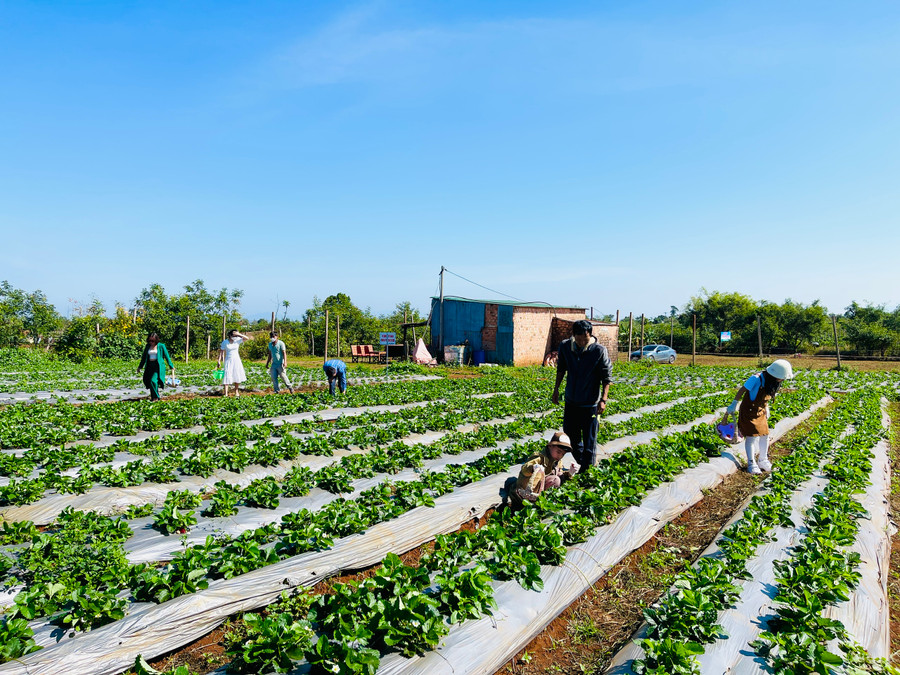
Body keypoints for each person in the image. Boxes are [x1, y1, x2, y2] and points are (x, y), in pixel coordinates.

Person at [552, 320, 613, 473]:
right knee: (570, 437)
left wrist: (603, 400)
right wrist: (556, 390)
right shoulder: (566, 346)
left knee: (589, 440)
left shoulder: (599, 351)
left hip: (590, 403)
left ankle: (588, 471)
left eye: (584, 338)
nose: (581, 342)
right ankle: (587, 465)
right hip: (571, 401)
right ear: (573, 336)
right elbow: (561, 369)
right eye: (578, 338)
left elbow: (606, 378)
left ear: (590, 335)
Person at [726, 359, 794, 474]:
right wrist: (734, 404)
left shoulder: (772, 383)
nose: (782, 380)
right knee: (751, 437)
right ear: (775, 374)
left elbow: (766, 397)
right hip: (749, 411)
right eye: (782, 377)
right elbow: (742, 390)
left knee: (765, 435)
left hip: (760, 411)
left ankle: (763, 460)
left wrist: (766, 408)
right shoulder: (756, 378)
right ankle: (751, 464)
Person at [512, 431, 580, 506]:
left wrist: (570, 473)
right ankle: (532, 502)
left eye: (563, 454)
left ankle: (542, 501)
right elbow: (524, 469)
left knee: (557, 478)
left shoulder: (558, 462)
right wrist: (533, 468)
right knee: (555, 479)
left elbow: (560, 476)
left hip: (539, 491)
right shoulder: (539, 458)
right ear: (550, 446)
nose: (560, 456)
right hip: (524, 492)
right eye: (558, 452)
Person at [137, 332, 175, 401]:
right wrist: (140, 367)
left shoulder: (161, 346)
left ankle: (156, 397)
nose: (151, 342)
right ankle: (154, 397)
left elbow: (167, 356)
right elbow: (143, 357)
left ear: (156, 340)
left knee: (153, 381)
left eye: (152, 341)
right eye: (149, 340)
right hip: (149, 366)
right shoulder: (147, 346)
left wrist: (171, 366)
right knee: (150, 381)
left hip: (157, 366)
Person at [217, 329, 250, 397]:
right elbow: (221, 352)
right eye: (233, 335)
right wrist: (219, 360)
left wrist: (239, 334)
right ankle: (226, 393)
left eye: (236, 335)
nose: (235, 337)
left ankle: (236, 391)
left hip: (236, 360)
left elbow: (247, 338)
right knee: (227, 374)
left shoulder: (237, 340)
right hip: (228, 360)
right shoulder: (225, 342)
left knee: (236, 374)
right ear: (230, 335)